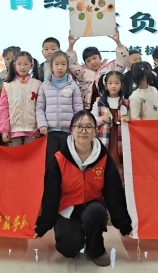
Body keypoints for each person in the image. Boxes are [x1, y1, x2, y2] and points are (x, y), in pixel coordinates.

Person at [34, 111, 132, 267]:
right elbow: (50, 196)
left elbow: (114, 194)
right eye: (79, 126)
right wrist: (43, 225)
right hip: (67, 210)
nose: (83, 131)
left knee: (96, 212)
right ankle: (76, 236)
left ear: (95, 131)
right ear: (71, 130)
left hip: (93, 207)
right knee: (68, 249)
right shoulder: (59, 159)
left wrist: (124, 224)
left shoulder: (104, 158)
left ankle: (95, 249)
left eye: (88, 127)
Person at [36, 51, 83, 166]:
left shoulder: (73, 85)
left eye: (63, 64)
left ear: (67, 66)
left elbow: (78, 108)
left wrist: (76, 127)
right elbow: (40, 107)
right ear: (51, 66)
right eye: (56, 64)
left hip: (68, 132)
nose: (60, 67)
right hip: (50, 132)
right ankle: (51, 178)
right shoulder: (44, 85)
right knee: (51, 160)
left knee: (67, 160)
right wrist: (42, 125)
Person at [68, 29, 129, 110]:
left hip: (107, 106)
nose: (93, 62)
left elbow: (122, 62)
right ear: (85, 63)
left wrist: (118, 42)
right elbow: (71, 64)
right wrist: (71, 45)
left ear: (100, 57)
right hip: (87, 108)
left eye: (94, 58)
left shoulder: (110, 68)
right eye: (88, 61)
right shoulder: (82, 71)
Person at [0, 52, 42, 147]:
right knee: (15, 155)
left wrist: (40, 124)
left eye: (26, 64)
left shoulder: (37, 84)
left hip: (32, 129)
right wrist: (4, 130)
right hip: (14, 130)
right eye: (19, 64)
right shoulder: (8, 85)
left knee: (31, 155)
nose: (22, 67)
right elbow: (3, 108)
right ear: (14, 65)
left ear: (31, 65)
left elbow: (40, 107)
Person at [91, 71, 130, 174]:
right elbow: (91, 119)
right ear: (106, 85)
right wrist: (101, 119)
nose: (113, 86)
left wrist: (127, 120)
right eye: (110, 83)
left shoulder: (126, 102)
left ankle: (119, 181)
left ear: (122, 85)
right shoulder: (99, 101)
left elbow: (131, 119)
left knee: (120, 162)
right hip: (104, 137)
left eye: (116, 83)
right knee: (104, 160)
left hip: (120, 137)